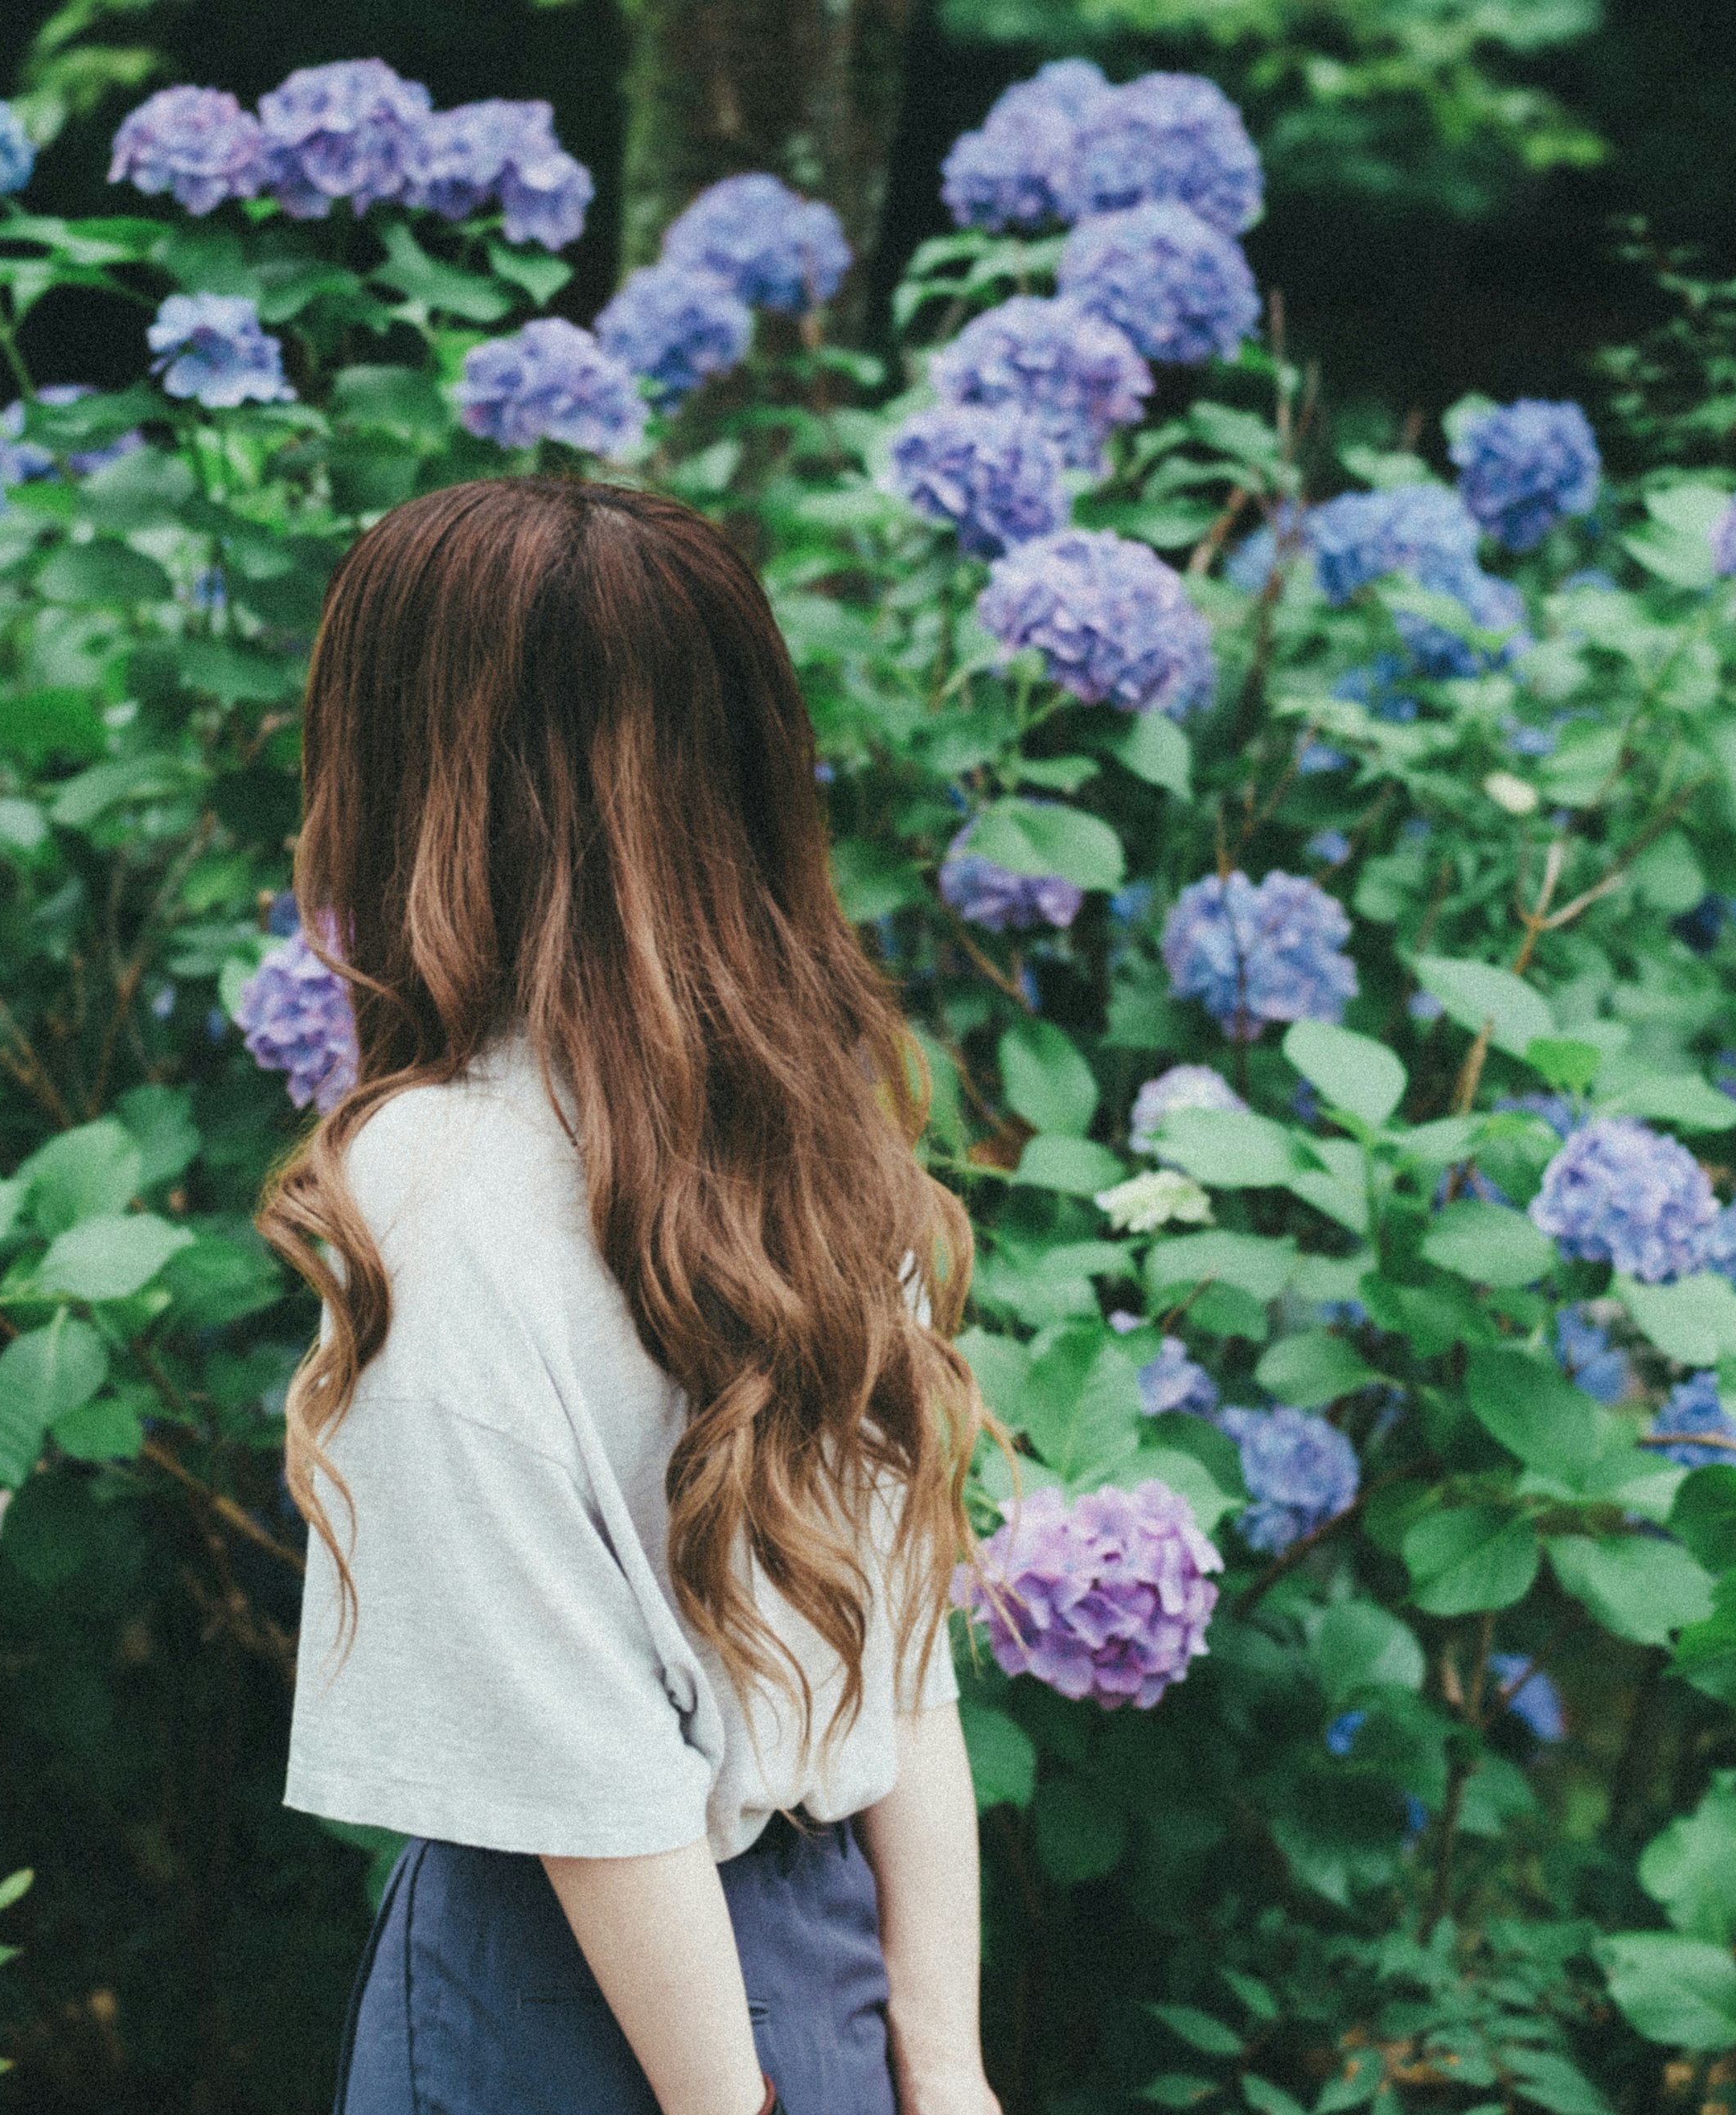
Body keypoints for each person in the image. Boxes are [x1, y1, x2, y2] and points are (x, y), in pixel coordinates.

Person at [260, 477, 1002, 2115]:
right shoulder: (814, 1131)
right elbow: (896, 1654)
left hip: (570, 1996)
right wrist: (939, 2064)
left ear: (406, 777)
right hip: (839, 1974)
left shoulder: (427, 1182)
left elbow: (583, 1766)